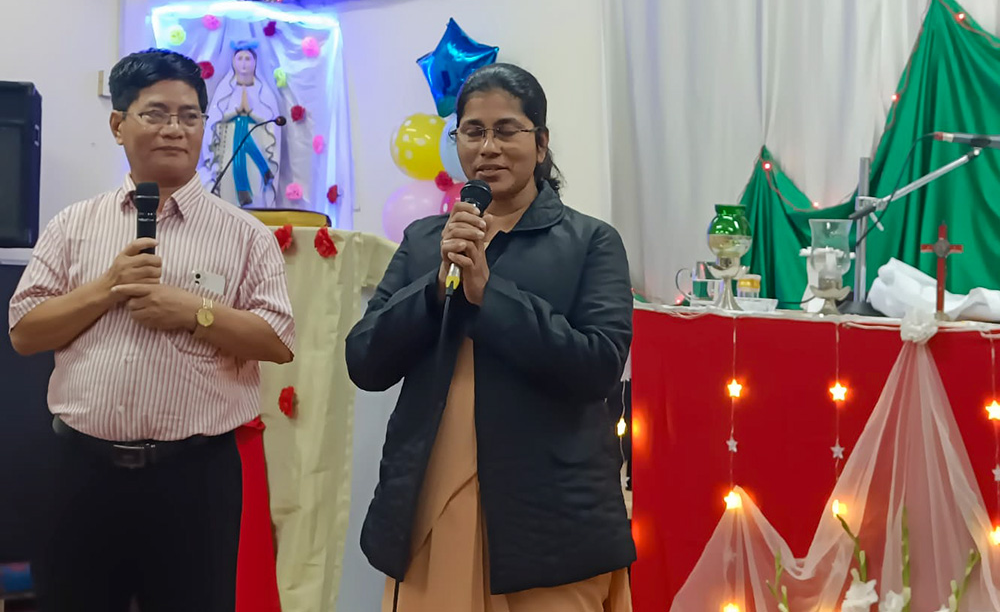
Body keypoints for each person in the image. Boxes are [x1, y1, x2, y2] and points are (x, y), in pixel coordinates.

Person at [8, 49, 295, 612]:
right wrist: (107, 288)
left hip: (196, 479)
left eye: (189, 116)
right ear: (118, 125)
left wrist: (193, 312)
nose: (174, 129)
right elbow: (24, 331)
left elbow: (276, 340)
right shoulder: (73, 225)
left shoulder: (245, 235)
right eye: (155, 113)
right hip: (80, 473)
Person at [346, 63, 635, 612]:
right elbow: (365, 360)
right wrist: (433, 290)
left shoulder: (590, 241)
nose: (488, 147)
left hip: (550, 515)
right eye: (472, 132)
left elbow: (597, 366)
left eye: (507, 130)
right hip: (431, 498)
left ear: (541, 143)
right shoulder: (426, 239)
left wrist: (488, 294)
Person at [202, 41, 281, 208]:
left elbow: (271, 122)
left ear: (255, 62)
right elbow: (215, 118)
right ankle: (261, 172)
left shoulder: (263, 91)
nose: (244, 63)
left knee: (255, 180)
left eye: (248, 59)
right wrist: (237, 111)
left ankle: (253, 184)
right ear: (233, 61)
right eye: (240, 58)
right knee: (239, 128)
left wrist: (250, 113)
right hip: (229, 147)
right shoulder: (225, 89)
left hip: (257, 139)